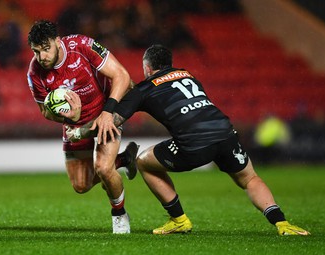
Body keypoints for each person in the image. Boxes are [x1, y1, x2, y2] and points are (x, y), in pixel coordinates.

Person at [66, 44, 310, 236]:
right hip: (224, 133)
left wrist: (77, 132)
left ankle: (179, 220)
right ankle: (282, 223)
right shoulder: (189, 76)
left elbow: (111, 121)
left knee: (143, 161)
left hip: (193, 144)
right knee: (249, 178)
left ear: (147, 68)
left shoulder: (145, 88)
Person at [26, 20, 139, 234]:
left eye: (46, 49)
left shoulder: (82, 46)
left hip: (106, 111)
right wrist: (71, 118)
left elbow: (122, 75)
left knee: (104, 169)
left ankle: (119, 214)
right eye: (36, 51)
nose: (42, 57)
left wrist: (108, 112)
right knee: (81, 186)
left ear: (58, 42)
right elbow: (45, 111)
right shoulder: (34, 73)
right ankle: (124, 159)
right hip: (75, 123)